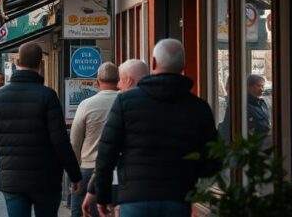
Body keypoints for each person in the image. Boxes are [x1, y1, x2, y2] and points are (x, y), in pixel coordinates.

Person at [95, 39, 221, 217]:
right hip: (177, 198)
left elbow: (106, 154)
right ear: (183, 65)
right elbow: (212, 159)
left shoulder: (126, 102)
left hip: (135, 198)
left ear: (153, 63)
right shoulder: (198, 107)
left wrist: (102, 195)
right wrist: (189, 173)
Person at [0, 43, 82, 217]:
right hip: (46, 177)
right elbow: (60, 140)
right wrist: (74, 174)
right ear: (40, 64)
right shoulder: (47, 96)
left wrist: (6, 149)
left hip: (12, 176)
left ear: (17, 61)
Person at [78, 60, 150, 217]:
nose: (119, 86)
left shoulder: (123, 103)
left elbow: (107, 152)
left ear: (129, 80)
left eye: (121, 80)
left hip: (128, 186)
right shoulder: (159, 104)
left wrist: (96, 194)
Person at [69, 63, 121, 217]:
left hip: (89, 167)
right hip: (119, 169)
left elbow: (75, 142)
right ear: (118, 79)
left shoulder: (86, 105)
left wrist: (75, 170)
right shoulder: (126, 101)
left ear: (97, 81)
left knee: (81, 211)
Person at [247, 74, 272, 149]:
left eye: (262, 86)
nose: (262, 89)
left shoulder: (262, 103)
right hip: (254, 145)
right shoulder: (244, 104)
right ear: (250, 87)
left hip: (265, 142)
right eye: (258, 86)